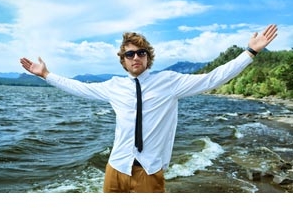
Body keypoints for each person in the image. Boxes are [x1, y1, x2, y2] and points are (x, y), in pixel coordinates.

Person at [20, 24, 278, 193]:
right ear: (123, 60)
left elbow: (213, 77)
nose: (136, 57)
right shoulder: (113, 87)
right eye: (130, 54)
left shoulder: (169, 82)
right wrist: (46, 75)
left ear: (148, 57)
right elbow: (79, 88)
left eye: (141, 53)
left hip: (149, 170)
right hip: (116, 168)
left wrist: (249, 53)